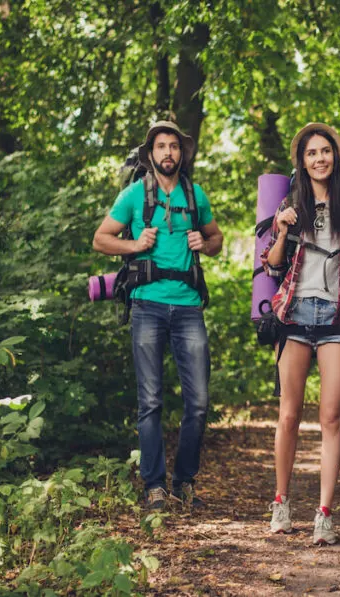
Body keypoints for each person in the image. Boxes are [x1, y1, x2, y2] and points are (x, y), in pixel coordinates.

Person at [93, 120, 224, 511]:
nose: (168, 153)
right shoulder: (134, 195)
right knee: (149, 401)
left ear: (182, 154)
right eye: (161, 146)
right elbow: (101, 238)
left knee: (198, 402)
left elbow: (217, 239)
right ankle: (154, 485)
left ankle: (183, 481)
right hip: (147, 306)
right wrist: (134, 243)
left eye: (174, 147)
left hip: (188, 307)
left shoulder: (195, 193)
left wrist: (207, 241)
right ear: (151, 153)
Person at [260, 123, 340, 545]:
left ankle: (324, 514)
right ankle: (281, 502)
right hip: (294, 314)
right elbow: (272, 265)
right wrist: (283, 229)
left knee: (331, 417)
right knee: (289, 415)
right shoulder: (289, 204)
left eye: (325, 151)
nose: (319, 158)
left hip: (335, 317)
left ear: (334, 157)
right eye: (311, 153)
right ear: (302, 161)